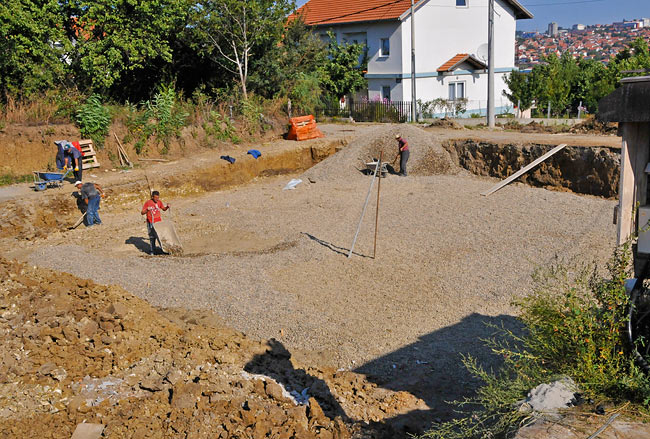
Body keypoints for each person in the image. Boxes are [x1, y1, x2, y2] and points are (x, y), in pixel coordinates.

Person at [141, 191, 170, 255]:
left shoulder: (159, 202)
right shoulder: (148, 203)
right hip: (150, 222)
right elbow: (142, 212)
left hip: (158, 222)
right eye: (156, 198)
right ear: (152, 197)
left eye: (158, 198)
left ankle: (164, 250)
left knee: (160, 236)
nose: (157, 199)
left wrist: (167, 207)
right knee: (152, 237)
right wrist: (147, 209)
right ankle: (152, 251)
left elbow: (163, 209)